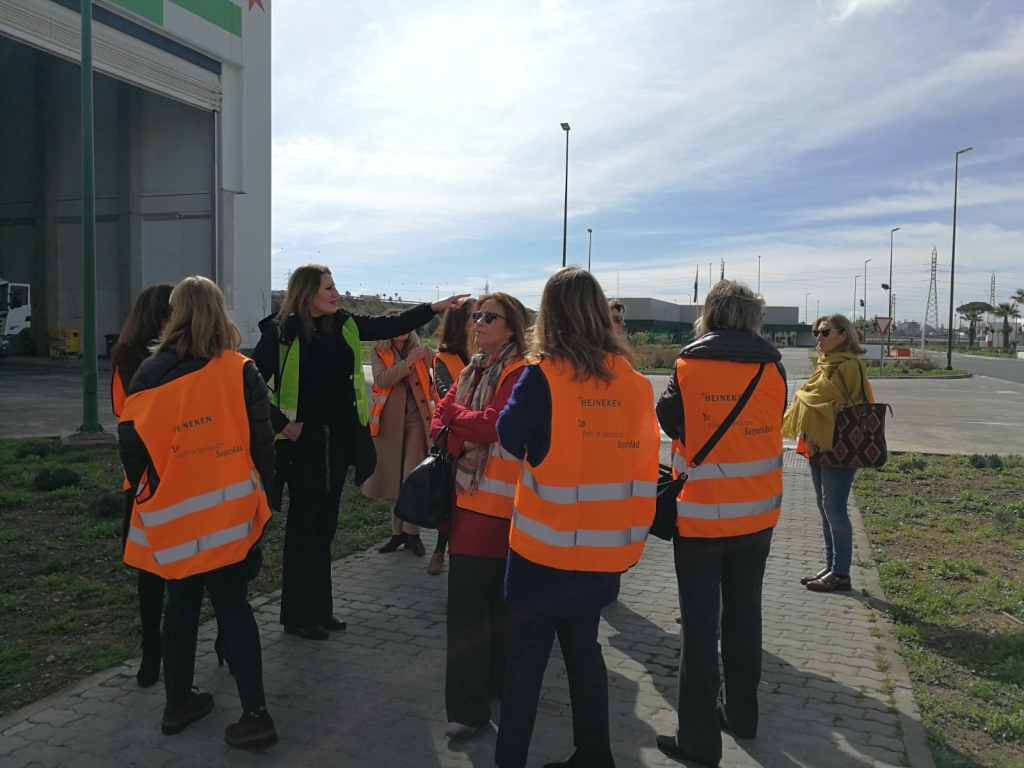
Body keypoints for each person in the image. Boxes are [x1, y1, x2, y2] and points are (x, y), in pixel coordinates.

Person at [494, 267, 660, 768]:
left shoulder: (543, 377)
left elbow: (507, 435)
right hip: (603, 549)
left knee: (524, 665)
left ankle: (510, 760)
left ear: (550, 315)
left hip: (541, 553)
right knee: (585, 653)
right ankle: (595, 755)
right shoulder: (633, 383)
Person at [254, 264, 467, 641]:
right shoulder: (280, 332)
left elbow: (389, 325)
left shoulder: (343, 325)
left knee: (326, 526)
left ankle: (321, 608)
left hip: (338, 442)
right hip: (304, 446)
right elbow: (251, 385)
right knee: (305, 527)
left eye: (335, 287)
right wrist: (282, 423)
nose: (336, 293)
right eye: (329, 287)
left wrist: (434, 307)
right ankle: (297, 614)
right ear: (308, 293)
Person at [118, 276, 278, 748]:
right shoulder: (240, 369)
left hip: (174, 513)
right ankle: (256, 713)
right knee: (234, 608)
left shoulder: (149, 373)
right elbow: (262, 443)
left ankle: (177, 703)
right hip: (229, 511)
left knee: (180, 605)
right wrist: (263, 498)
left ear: (174, 314)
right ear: (220, 311)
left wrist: (152, 493)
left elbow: (132, 445)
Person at [654, 280, 787, 768]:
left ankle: (698, 739)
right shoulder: (773, 365)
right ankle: (744, 714)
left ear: (709, 314)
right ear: (754, 316)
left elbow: (669, 417)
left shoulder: (689, 364)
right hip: (759, 514)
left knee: (699, 625)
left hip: (702, 514)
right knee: (745, 615)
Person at [431, 292, 529, 740]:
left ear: (512, 327)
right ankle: (478, 701)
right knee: (476, 609)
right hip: (467, 508)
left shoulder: (520, 372)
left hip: (502, 511)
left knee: (480, 610)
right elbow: (438, 422)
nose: (479, 322)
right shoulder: (472, 369)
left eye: (490, 316)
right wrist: (456, 434)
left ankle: (474, 707)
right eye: (476, 315)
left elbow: (494, 424)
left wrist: (455, 425)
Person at [110, 282, 173, 688]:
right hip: (155, 477)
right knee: (157, 575)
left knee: (162, 576)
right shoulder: (140, 362)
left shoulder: (129, 358)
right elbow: (133, 415)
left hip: (146, 479)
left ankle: (154, 658)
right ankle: (153, 654)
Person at [783, 313, 873, 593]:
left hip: (840, 445)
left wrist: (802, 397)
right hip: (819, 442)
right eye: (816, 333)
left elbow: (820, 399)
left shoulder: (849, 365)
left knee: (835, 510)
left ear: (843, 335)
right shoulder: (824, 364)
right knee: (824, 509)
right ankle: (832, 565)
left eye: (825, 332)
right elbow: (815, 398)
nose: (818, 338)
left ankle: (842, 573)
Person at [364, 315, 436, 556]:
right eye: (399, 326)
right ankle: (397, 534)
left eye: (408, 325)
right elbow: (382, 379)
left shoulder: (423, 350)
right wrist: (408, 363)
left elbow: (445, 363)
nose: (405, 330)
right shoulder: (378, 351)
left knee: (410, 479)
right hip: (388, 425)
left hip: (417, 422)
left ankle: (413, 535)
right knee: (393, 481)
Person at [427, 297, 476, 575]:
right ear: (462, 323)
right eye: (476, 316)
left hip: (479, 438)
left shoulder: (490, 354)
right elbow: (447, 397)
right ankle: (439, 551)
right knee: (450, 499)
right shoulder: (443, 358)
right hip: (455, 439)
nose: (481, 321)